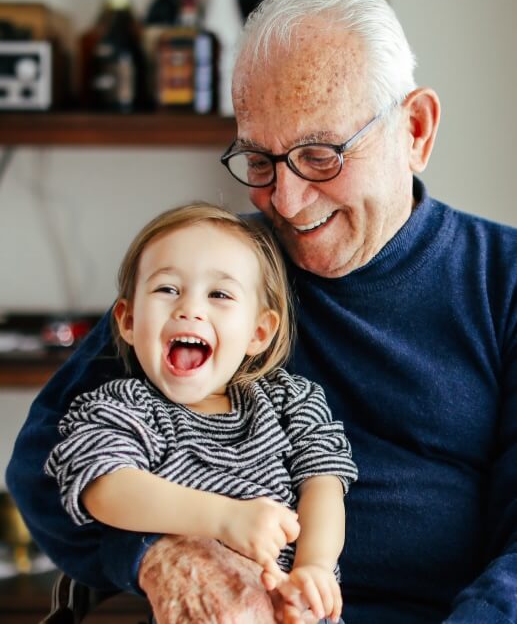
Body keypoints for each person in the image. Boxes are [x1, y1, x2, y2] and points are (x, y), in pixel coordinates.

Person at [6, 0, 517, 624]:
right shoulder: (214, 275)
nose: (286, 200)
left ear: (414, 129)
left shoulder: (503, 280)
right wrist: (157, 550)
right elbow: (46, 460)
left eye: (320, 154)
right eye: (259, 159)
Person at [44, 202, 358, 623]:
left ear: (259, 331)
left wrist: (314, 567)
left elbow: (324, 483)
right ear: (129, 320)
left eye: (219, 294)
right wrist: (225, 518)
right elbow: (104, 487)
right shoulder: (122, 407)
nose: (189, 309)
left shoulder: (291, 401)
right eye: (167, 289)